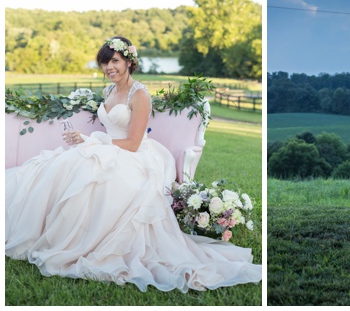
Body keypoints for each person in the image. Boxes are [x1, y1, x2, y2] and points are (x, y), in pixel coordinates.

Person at [5, 36, 261, 292]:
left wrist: (91, 140)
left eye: (114, 61)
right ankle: (47, 233)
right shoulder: (109, 90)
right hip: (109, 148)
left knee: (87, 171)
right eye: (104, 63)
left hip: (134, 155)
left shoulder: (140, 95)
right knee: (58, 165)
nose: (109, 68)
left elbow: (134, 143)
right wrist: (89, 141)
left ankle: (84, 243)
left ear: (128, 61)